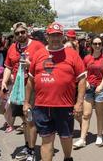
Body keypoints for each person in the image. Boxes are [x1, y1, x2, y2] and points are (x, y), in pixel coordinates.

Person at [23, 22, 86, 161]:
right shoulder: (39, 54)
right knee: (46, 140)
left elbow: (81, 79)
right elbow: (30, 81)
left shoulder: (72, 55)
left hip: (64, 106)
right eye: (52, 35)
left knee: (66, 136)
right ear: (47, 36)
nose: (55, 38)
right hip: (42, 106)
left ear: (62, 36)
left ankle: (67, 157)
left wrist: (79, 102)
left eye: (58, 35)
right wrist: (26, 102)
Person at [1, 22, 45, 161]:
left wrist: (30, 65)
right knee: (23, 120)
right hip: (17, 89)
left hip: (32, 88)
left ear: (27, 32)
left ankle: (31, 151)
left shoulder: (37, 46)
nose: (20, 35)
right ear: (14, 35)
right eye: (17, 33)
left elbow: (45, 65)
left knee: (29, 119)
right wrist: (4, 81)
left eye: (23, 32)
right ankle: (28, 146)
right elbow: (8, 66)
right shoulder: (12, 48)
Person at [73, 36, 103, 148]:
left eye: (99, 43)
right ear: (91, 45)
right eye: (95, 43)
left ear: (102, 44)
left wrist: (101, 85)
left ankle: (99, 136)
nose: (97, 46)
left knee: (99, 114)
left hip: (100, 88)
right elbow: (83, 71)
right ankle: (82, 139)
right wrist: (86, 82)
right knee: (86, 114)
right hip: (89, 88)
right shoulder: (87, 58)